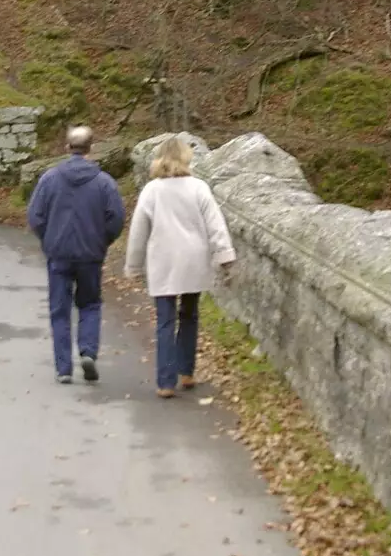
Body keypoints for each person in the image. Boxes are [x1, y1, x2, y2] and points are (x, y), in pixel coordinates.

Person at [125, 136, 235, 398]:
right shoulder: (199, 188)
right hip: (192, 260)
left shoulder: (152, 190)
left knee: (165, 320)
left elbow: (139, 231)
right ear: (186, 158)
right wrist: (225, 255)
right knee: (189, 315)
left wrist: (133, 265)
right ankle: (186, 372)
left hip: (163, 261)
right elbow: (215, 224)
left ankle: (165, 381)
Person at [26, 125, 125, 384]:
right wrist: (102, 241)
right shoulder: (104, 183)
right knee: (90, 304)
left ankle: (63, 368)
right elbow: (116, 218)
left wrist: (48, 239)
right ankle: (88, 351)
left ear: (67, 147)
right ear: (91, 148)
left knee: (59, 309)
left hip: (58, 253)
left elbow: (35, 216)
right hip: (90, 254)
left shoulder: (49, 179)